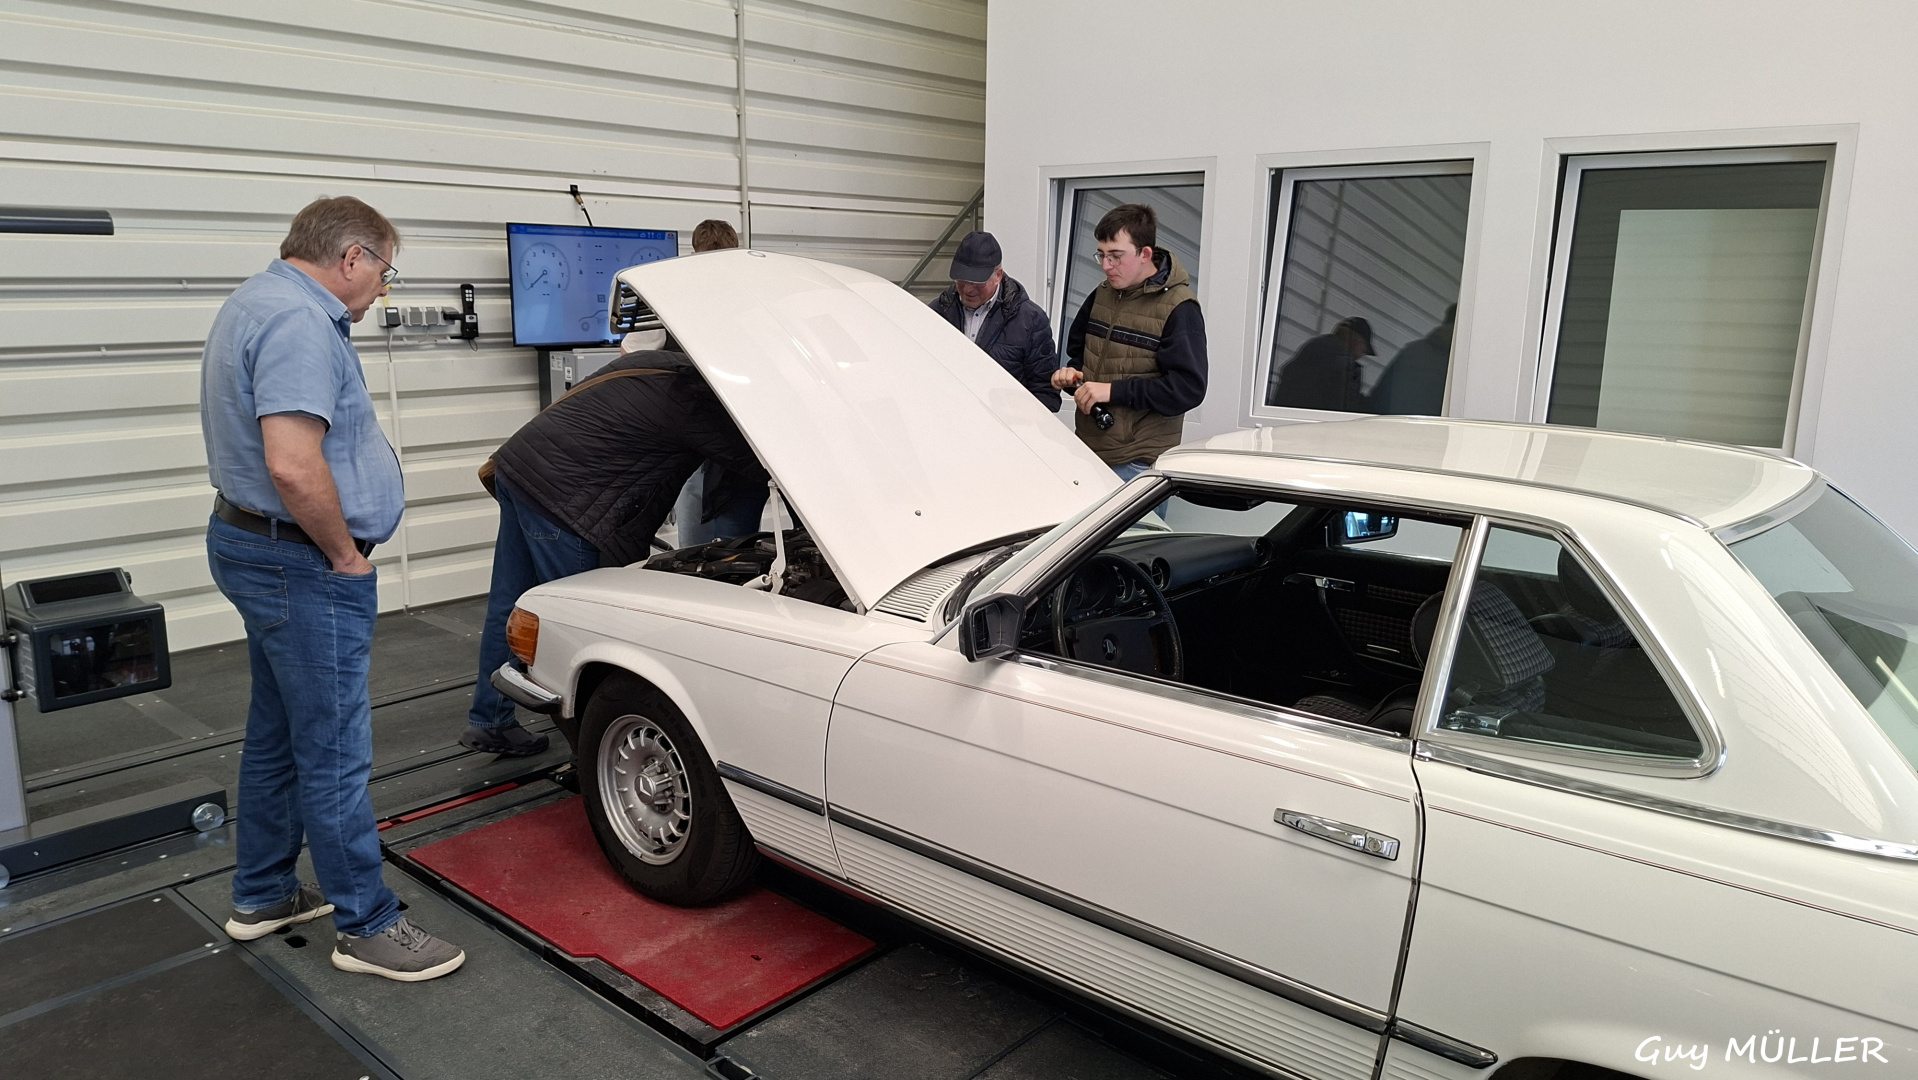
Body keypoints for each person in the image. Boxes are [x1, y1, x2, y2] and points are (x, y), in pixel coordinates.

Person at [201, 195, 465, 981]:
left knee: (279, 731)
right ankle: (367, 925)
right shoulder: (298, 322)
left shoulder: (257, 299)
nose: (384, 288)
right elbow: (291, 463)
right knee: (335, 749)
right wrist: (345, 557)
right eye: (385, 271)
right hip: (301, 563)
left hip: (259, 548)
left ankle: (263, 894)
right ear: (352, 256)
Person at [463, 347, 769, 750]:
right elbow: (761, 463)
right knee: (580, 628)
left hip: (521, 472)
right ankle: (590, 753)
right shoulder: (696, 400)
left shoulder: (658, 364)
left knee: (509, 602)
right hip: (567, 499)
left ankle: (490, 720)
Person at [1051, 204, 1207, 481]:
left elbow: (1187, 389)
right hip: (1088, 450)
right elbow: (1080, 354)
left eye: (1116, 256)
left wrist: (1113, 391)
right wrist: (1072, 376)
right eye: (1101, 255)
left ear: (1144, 254)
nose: (1106, 266)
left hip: (1137, 464)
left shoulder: (1180, 308)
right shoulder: (1101, 293)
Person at [672, 218, 766, 545]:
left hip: (735, 450)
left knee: (730, 548)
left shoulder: (751, 304)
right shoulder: (677, 301)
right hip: (707, 448)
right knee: (704, 548)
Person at [929, 231, 1060, 410]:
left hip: (1004, 424)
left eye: (977, 282)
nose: (967, 289)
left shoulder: (1031, 321)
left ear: (998, 275)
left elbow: (1046, 395)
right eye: (961, 280)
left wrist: (1012, 412)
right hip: (948, 418)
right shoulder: (936, 312)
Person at [1269, 317, 1374, 412]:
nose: (1362, 355)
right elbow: (1344, 410)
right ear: (1355, 341)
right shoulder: (1345, 366)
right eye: (1364, 349)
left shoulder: (1308, 354)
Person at [1367, 305, 1454, 415]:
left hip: (1395, 421)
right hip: (1434, 424)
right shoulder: (1458, 362)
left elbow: (1379, 396)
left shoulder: (1413, 351)